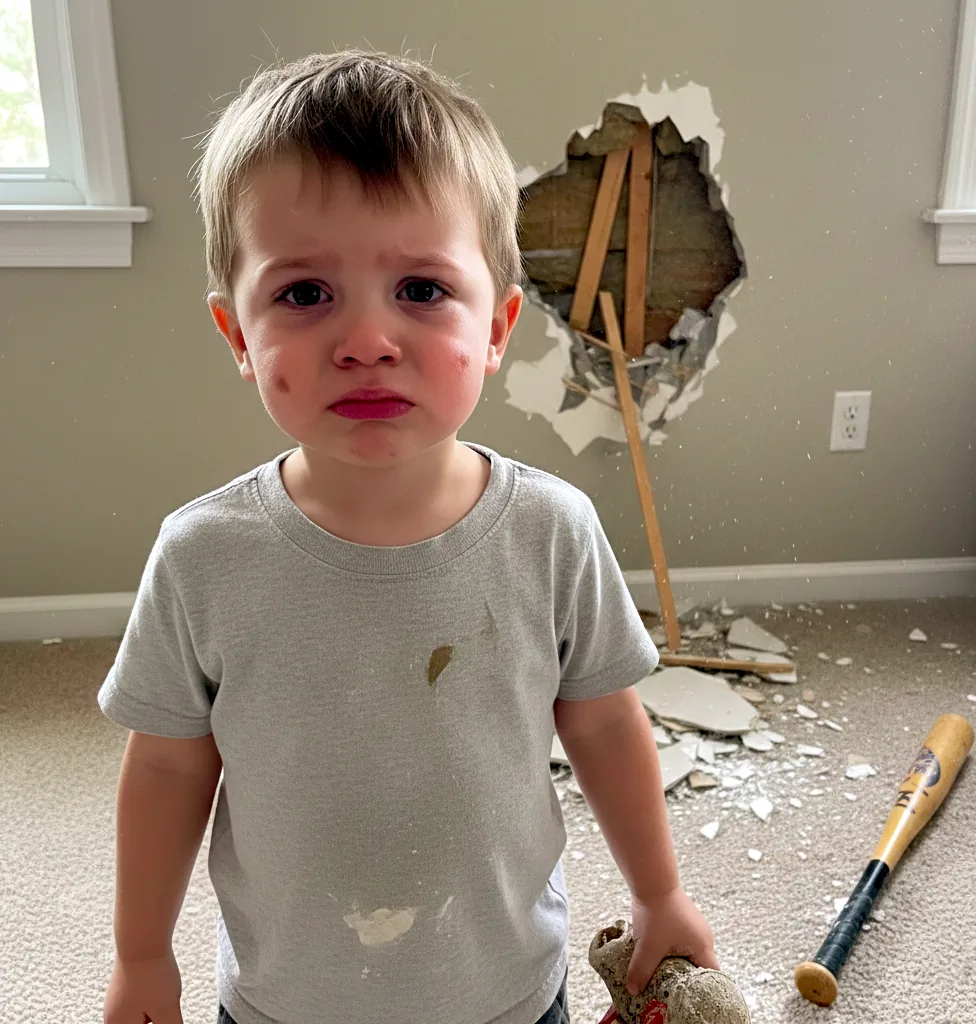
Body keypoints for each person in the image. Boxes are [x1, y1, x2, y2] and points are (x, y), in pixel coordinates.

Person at [98, 49, 718, 1024]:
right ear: (236, 335)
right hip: (283, 1004)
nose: (367, 339)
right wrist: (143, 957)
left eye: (422, 290)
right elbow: (171, 765)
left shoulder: (552, 532)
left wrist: (657, 893)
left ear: (500, 324)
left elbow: (602, 720)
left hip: (507, 994)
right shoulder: (202, 557)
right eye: (304, 294)